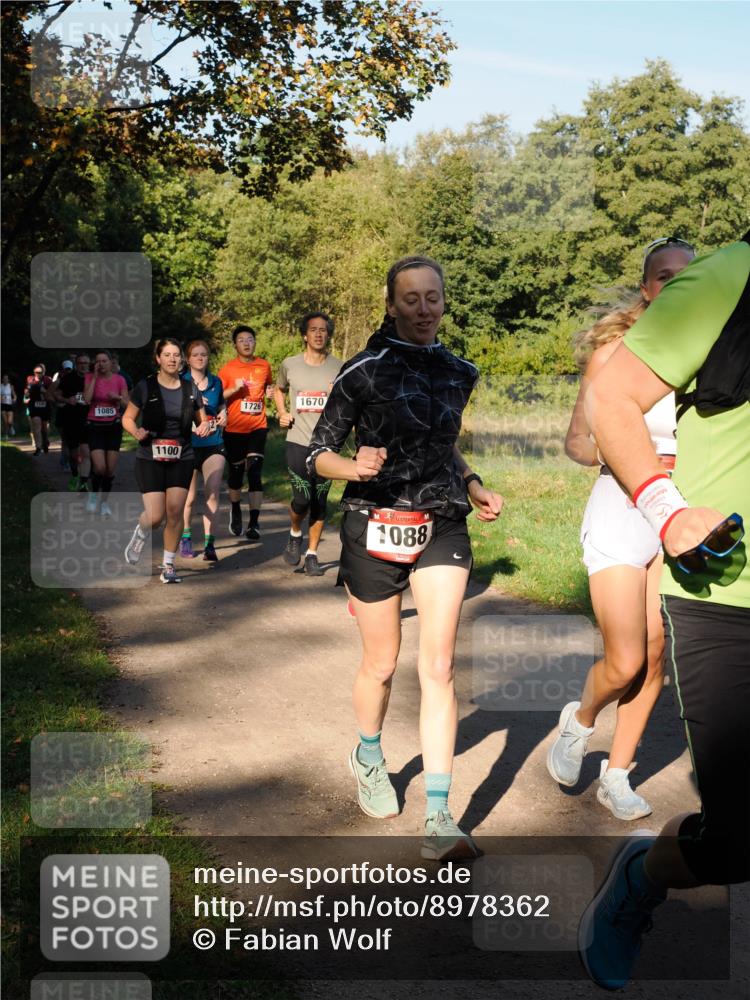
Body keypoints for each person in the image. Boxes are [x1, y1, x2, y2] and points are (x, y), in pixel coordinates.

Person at [577, 232, 750, 990]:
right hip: (729, 594)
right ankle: (643, 877)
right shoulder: (731, 276)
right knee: (739, 843)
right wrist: (665, 506)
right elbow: (608, 399)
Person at [308, 256, 504, 860]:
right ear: (391, 305)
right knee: (384, 662)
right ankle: (368, 753)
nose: (423, 309)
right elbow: (316, 453)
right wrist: (352, 466)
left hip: (442, 518)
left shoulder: (459, 371)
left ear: (445, 302)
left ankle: (440, 815)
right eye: (411, 299)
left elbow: (441, 446)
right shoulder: (362, 371)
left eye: (433, 298)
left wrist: (471, 482)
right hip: (375, 522)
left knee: (440, 666)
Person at [551, 237, 696, 820]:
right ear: (645, 287)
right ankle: (580, 720)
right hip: (620, 505)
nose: (673, 287)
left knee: (657, 653)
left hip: (679, 515)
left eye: (686, 279)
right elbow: (578, 442)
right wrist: (630, 461)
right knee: (626, 659)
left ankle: (617, 773)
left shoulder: (706, 355)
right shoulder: (614, 352)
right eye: (663, 277)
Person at [122, 338, 210, 583]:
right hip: (150, 456)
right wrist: (136, 432)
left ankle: (168, 564)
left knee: (175, 512)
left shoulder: (190, 388)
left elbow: (202, 420)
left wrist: (204, 427)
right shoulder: (144, 387)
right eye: (167, 355)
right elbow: (128, 418)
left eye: (176, 355)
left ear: (181, 359)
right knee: (155, 516)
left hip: (182, 455)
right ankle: (141, 532)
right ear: (158, 359)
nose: (173, 359)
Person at [274, 312, 342, 576]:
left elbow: (350, 400)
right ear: (305, 334)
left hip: (327, 444)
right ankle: (294, 533)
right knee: (301, 500)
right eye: (313, 329)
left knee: (320, 501)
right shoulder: (290, 364)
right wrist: (281, 413)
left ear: (328, 335)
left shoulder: (339, 367)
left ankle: (312, 554)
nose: (318, 334)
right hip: (297, 440)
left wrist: (337, 391)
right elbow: (278, 389)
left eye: (323, 330)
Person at [218, 326, 274, 540]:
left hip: (258, 427)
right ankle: (235, 508)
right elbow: (218, 396)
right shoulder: (228, 369)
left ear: (255, 342)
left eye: (250, 339)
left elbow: (269, 386)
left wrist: (269, 391)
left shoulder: (264, 365)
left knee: (255, 472)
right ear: (235, 345)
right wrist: (234, 390)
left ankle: (254, 522)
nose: (246, 343)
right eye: (241, 340)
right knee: (236, 474)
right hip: (233, 429)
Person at [179, 339, 227, 562]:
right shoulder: (180, 382)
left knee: (213, 492)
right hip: (187, 445)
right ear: (187, 359)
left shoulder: (216, 382)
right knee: (188, 498)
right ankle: (186, 536)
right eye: (195, 355)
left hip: (213, 444)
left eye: (204, 354)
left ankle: (210, 544)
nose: (200, 358)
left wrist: (223, 414)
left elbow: (220, 406)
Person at [83, 350, 129, 516]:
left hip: (113, 427)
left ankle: (104, 504)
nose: (101, 364)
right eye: (98, 361)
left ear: (111, 362)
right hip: (95, 426)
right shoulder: (89, 377)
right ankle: (93, 497)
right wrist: (95, 378)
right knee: (100, 467)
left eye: (104, 361)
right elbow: (87, 399)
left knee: (110, 470)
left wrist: (116, 397)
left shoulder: (119, 379)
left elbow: (127, 405)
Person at [51, 353, 92, 491]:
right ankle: (75, 474)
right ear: (76, 364)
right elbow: (56, 393)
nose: (83, 366)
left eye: (85, 363)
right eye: (80, 363)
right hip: (71, 420)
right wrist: (66, 400)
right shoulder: (68, 378)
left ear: (89, 364)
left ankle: (84, 482)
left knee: (85, 451)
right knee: (73, 454)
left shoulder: (93, 378)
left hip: (88, 420)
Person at [24, 364, 53, 455]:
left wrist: (44, 391)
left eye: (40, 372)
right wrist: (27, 394)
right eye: (36, 372)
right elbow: (27, 392)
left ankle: (45, 441)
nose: (38, 374)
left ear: (43, 373)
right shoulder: (30, 379)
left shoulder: (47, 380)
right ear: (34, 372)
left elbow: (52, 392)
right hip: (34, 406)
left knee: (44, 428)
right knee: (36, 426)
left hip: (45, 407)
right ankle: (38, 448)